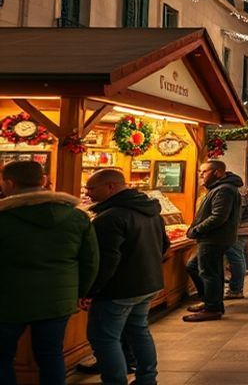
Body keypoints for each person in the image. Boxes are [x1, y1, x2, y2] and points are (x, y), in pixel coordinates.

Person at [0, 160, 99, 384]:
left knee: (3, 356)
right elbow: (91, 261)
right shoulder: (77, 217)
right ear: (43, 181)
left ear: (9, 183)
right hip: (57, 299)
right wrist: (82, 292)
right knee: (51, 354)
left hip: (7, 299)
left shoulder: (3, 219)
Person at [82, 169, 170, 385]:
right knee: (139, 332)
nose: (87, 193)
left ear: (110, 186)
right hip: (147, 284)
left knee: (105, 339)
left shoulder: (109, 218)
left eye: (91, 188)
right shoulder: (150, 210)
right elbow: (164, 246)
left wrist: (91, 290)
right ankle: (147, 379)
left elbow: (106, 262)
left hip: (118, 289)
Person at [183, 161, 242, 322]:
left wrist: (195, 230)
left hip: (214, 238)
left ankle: (212, 308)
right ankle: (210, 301)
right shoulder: (219, 188)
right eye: (200, 171)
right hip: (213, 238)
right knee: (197, 267)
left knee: (209, 272)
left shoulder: (224, 190)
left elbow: (218, 217)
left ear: (217, 172)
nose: (200, 175)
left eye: (204, 171)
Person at [224, 179, 248, 300]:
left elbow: (237, 215)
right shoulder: (239, 189)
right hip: (243, 228)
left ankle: (236, 289)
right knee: (237, 255)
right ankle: (236, 287)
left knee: (235, 256)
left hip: (241, 229)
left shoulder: (239, 192)